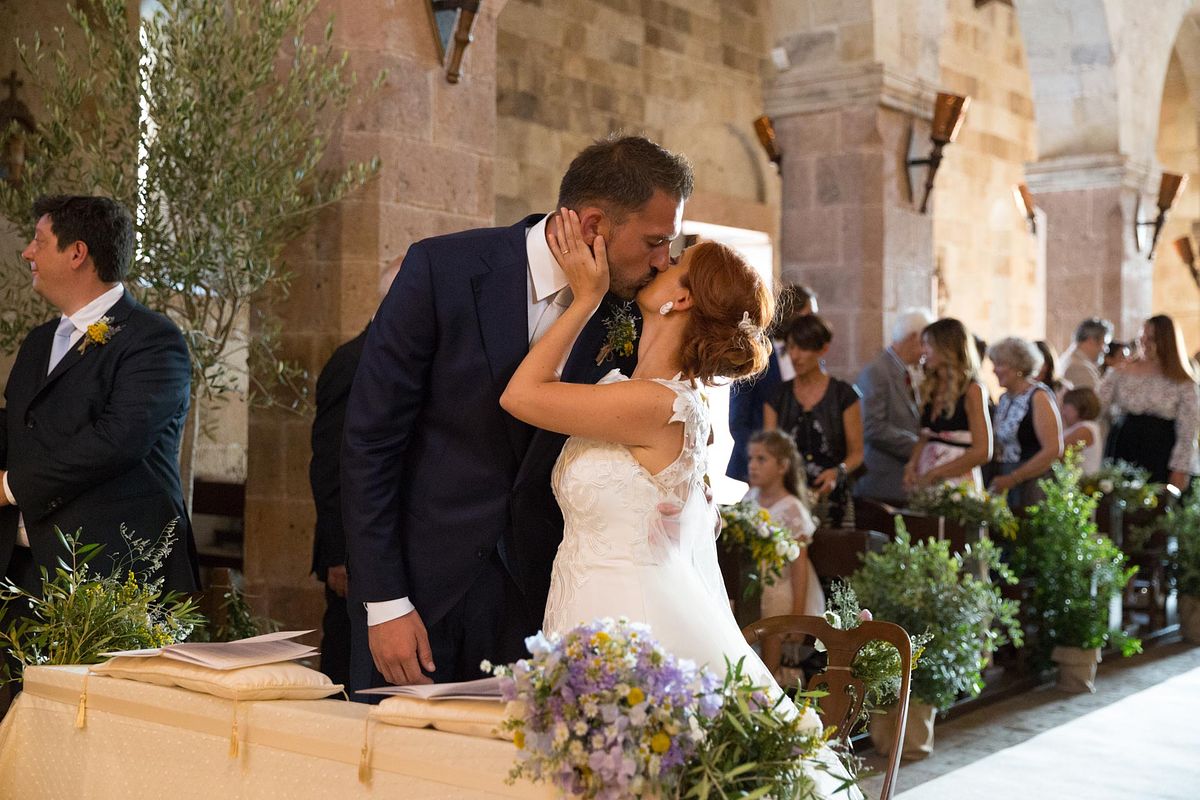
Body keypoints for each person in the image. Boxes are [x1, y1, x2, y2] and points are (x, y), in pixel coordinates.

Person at [501, 214, 856, 797]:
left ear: (682, 298)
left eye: (677, 262)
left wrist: (586, 299)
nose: (663, 261)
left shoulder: (656, 404)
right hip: (588, 600)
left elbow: (520, 395)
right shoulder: (648, 395)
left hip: (624, 615)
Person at [340, 135, 694, 691]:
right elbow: (369, 443)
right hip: (417, 593)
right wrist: (383, 600)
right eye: (654, 241)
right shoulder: (443, 269)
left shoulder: (631, 313)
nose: (662, 262)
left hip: (540, 606)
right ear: (596, 226)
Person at [0, 195, 197, 598]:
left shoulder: (153, 341)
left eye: (39, 240)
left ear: (77, 253)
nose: (27, 252)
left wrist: (7, 488)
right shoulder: (39, 342)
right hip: (22, 573)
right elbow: (19, 428)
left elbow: (117, 440)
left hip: (112, 575)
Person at [308, 263, 401, 689]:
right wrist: (337, 553)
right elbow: (331, 466)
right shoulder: (353, 361)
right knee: (347, 660)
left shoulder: (396, 357)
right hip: (351, 550)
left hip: (386, 544)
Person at [763, 314, 863, 527]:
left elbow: (857, 453)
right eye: (791, 347)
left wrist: (838, 471)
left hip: (833, 499)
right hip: (787, 498)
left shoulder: (844, 395)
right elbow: (770, 451)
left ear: (823, 349)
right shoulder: (777, 397)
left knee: (835, 555)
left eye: (803, 348)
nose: (795, 356)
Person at [744, 429, 821, 678]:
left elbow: (799, 565)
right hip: (749, 585)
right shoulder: (750, 497)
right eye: (750, 459)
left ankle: (770, 689)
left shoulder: (792, 509)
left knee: (771, 652)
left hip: (779, 588)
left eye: (761, 459)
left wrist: (797, 618)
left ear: (782, 466)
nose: (752, 466)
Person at [725, 284, 816, 482]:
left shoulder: (812, 357)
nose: (813, 323)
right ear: (792, 313)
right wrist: (762, 459)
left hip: (799, 466)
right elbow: (738, 421)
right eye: (808, 316)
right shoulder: (756, 353)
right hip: (760, 464)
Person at [1100, 314, 1200, 489]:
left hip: (1161, 446)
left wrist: (1180, 468)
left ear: (1166, 341)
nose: (1144, 342)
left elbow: (1189, 427)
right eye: (1142, 337)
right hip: (1124, 442)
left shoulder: (1182, 380)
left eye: (1151, 338)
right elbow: (1098, 404)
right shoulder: (1121, 372)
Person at [854, 309, 933, 506]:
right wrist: (919, 448)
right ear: (914, 337)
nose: (925, 351)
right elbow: (872, 426)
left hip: (900, 480)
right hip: (882, 479)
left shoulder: (903, 370)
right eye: (924, 344)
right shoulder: (877, 372)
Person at [905, 318, 993, 492]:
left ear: (947, 348)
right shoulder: (931, 386)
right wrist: (911, 465)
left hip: (956, 483)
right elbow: (925, 435)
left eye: (928, 345)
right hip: (926, 478)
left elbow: (983, 451)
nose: (923, 351)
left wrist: (935, 474)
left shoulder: (973, 390)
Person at [988, 337, 1064, 511]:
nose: (994, 370)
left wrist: (1014, 478)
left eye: (999, 364)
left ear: (1018, 367)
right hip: (1004, 477)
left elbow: (1053, 450)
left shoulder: (1039, 396)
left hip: (1032, 482)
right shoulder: (1005, 398)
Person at [1061, 317, 1113, 391]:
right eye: (1104, 343)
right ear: (1091, 341)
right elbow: (1096, 400)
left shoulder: (1072, 358)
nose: (1106, 350)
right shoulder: (1079, 367)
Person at [1061, 387, 1103, 475]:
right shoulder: (1084, 427)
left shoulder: (1084, 429)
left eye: (1065, 407)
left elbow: (1058, 453)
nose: (1063, 412)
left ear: (1078, 408)